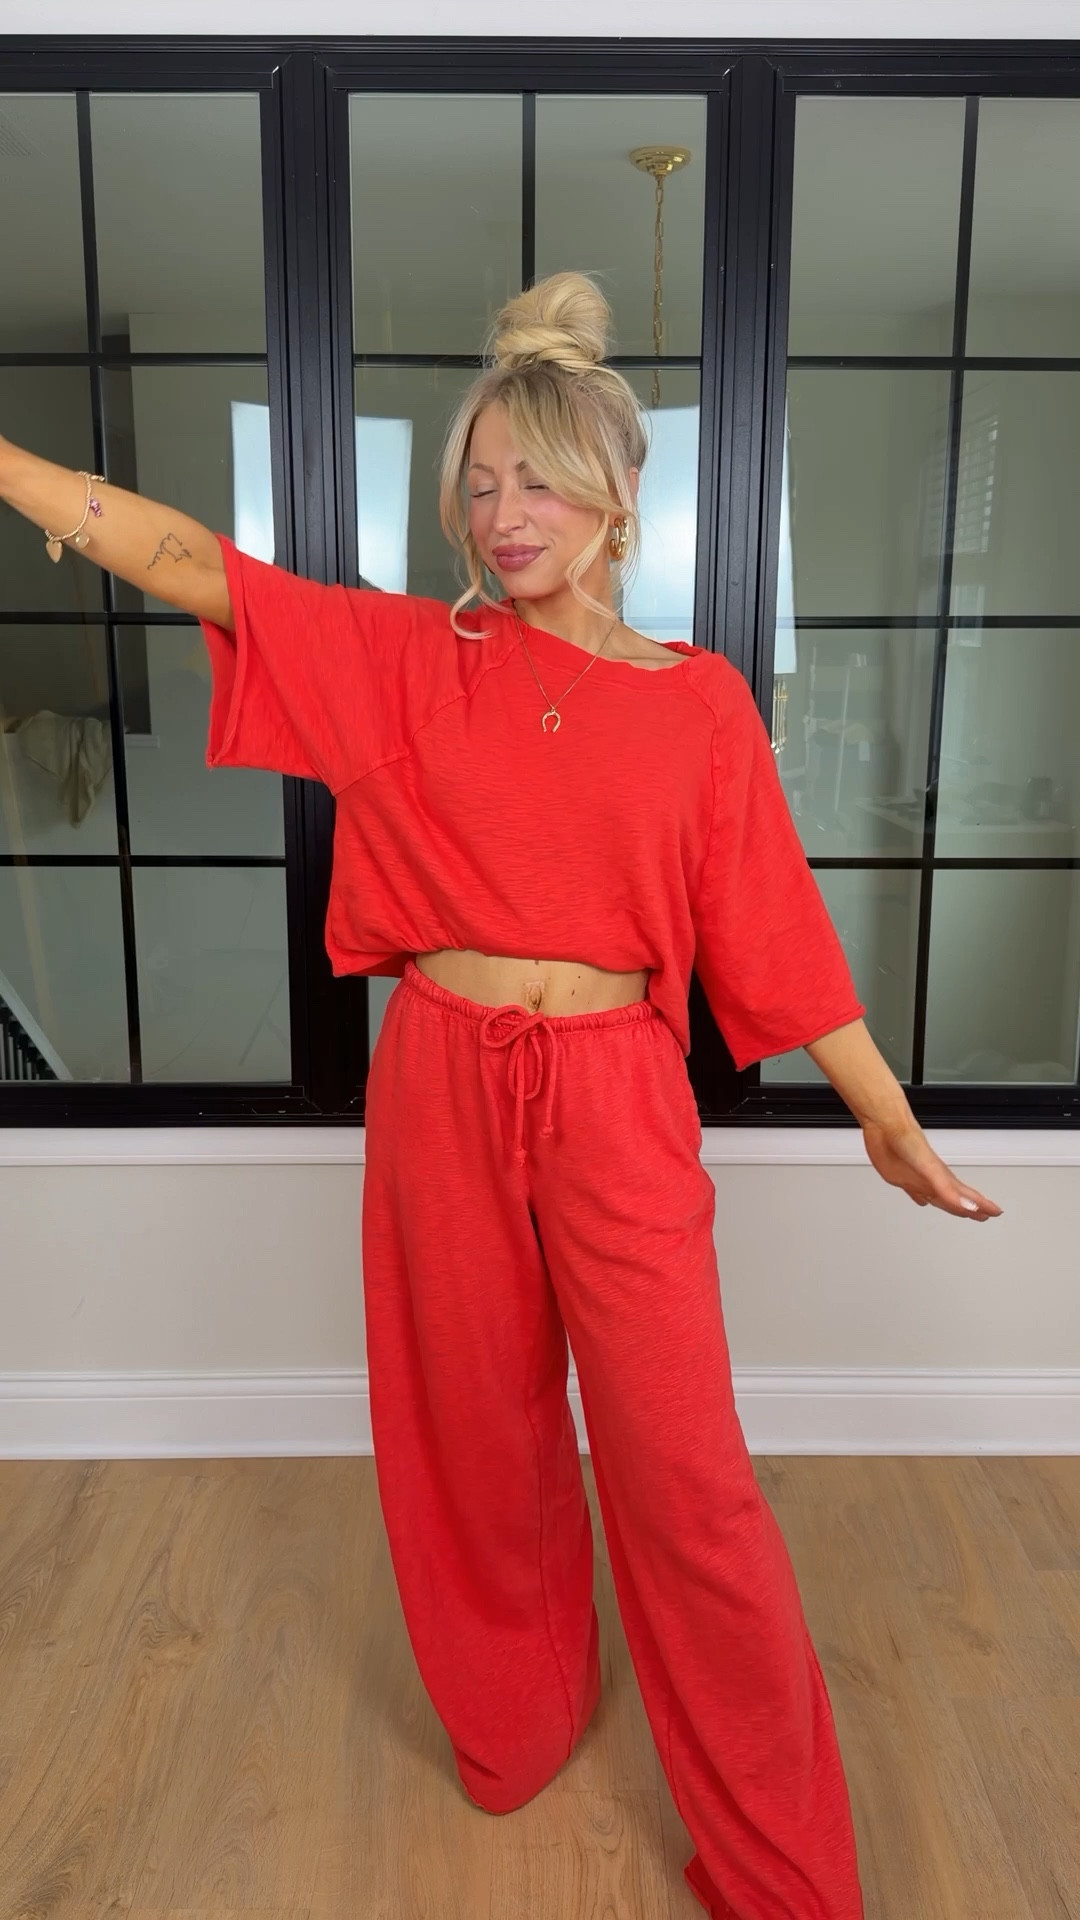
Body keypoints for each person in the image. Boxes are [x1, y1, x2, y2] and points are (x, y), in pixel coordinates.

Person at [0, 270, 1001, 1920]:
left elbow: (777, 932)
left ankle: (780, 1863)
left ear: (615, 494)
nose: (502, 512)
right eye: (478, 484)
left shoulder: (698, 704)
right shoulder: (409, 659)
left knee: (686, 1477)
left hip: (613, 1093)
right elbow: (191, 562)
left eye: (536, 479)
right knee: (471, 1429)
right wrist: (15, 470)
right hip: (443, 1079)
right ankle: (517, 1719)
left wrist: (886, 1114)